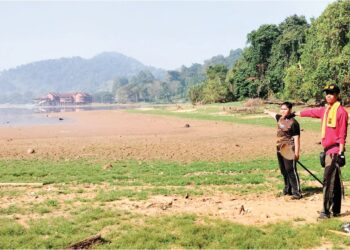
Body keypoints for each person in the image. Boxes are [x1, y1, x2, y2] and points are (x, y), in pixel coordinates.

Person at [295, 83, 348, 219]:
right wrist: (295, 113)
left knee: (328, 180)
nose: (328, 95)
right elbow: (311, 112)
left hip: (335, 151)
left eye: (331, 93)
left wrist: (341, 153)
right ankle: (336, 210)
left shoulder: (341, 112)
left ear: (337, 95)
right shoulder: (325, 111)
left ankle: (325, 211)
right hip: (327, 150)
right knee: (335, 181)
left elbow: (342, 134)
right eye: (326, 93)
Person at [264, 102, 302, 199]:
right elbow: (273, 115)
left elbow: (297, 138)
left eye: (285, 109)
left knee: (291, 170)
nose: (283, 111)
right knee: (284, 170)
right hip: (279, 148)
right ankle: (287, 189)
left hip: (288, 148)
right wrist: (267, 111)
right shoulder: (280, 118)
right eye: (281, 109)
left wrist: (297, 153)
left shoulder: (294, 123)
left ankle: (297, 192)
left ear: (290, 109)